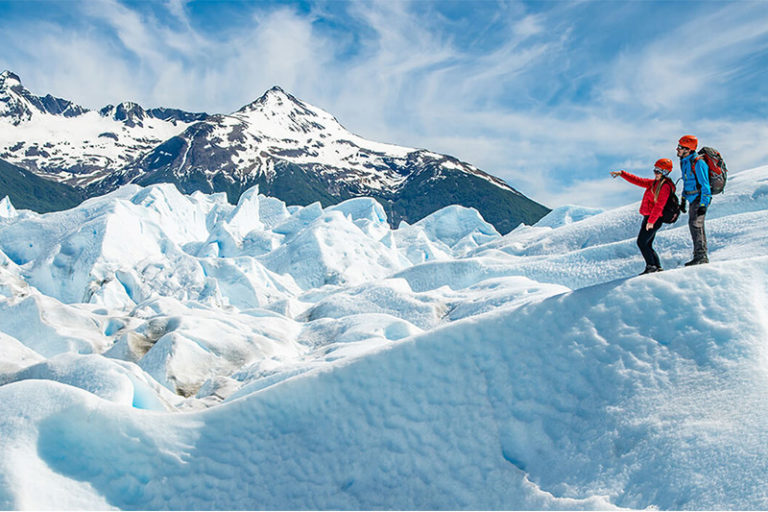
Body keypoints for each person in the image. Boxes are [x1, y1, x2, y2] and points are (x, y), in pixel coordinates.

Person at [610, 159, 675, 274]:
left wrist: (651, 221)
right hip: (649, 218)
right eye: (655, 169)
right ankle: (657, 267)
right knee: (647, 243)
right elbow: (638, 180)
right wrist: (622, 174)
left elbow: (659, 206)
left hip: (654, 219)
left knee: (641, 242)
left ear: (665, 172)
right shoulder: (653, 183)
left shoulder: (665, 187)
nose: (655, 172)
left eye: (659, 170)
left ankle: (651, 266)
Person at [676, 135, 709, 265]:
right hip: (691, 198)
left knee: (695, 224)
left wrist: (703, 205)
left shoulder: (698, 163)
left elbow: (705, 185)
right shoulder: (684, 162)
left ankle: (701, 256)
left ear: (688, 149)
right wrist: (683, 199)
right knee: (694, 224)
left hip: (699, 198)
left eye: (680, 147)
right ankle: (700, 256)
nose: (677, 149)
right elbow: (687, 182)